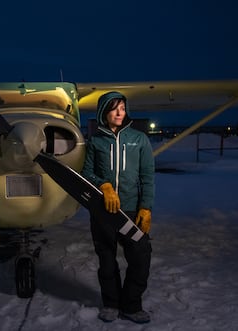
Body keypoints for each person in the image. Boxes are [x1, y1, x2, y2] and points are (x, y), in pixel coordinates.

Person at [81, 91, 155, 324]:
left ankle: (131, 305)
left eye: (122, 107)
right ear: (104, 112)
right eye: (114, 108)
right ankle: (111, 304)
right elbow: (86, 173)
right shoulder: (95, 141)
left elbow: (147, 177)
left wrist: (146, 207)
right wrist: (103, 185)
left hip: (131, 211)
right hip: (103, 211)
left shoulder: (139, 139)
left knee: (141, 257)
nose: (119, 112)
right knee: (106, 260)